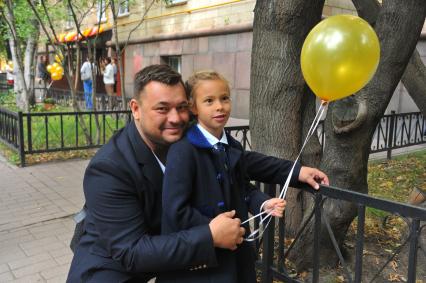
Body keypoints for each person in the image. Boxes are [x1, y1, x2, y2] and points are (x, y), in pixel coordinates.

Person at [66, 64, 329, 282]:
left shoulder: (182, 135)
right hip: (113, 269)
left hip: (171, 256)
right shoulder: (109, 168)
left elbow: (239, 158)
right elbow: (132, 252)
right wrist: (210, 235)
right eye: (162, 108)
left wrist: (296, 172)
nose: (176, 117)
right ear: (135, 109)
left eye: (181, 107)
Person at [159, 71, 284, 282]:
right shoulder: (184, 151)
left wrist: (263, 203)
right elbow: (175, 209)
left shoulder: (232, 146)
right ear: (193, 107)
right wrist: (214, 230)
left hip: (237, 255)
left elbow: (242, 188)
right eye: (209, 101)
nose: (220, 106)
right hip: (202, 263)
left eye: (224, 98)